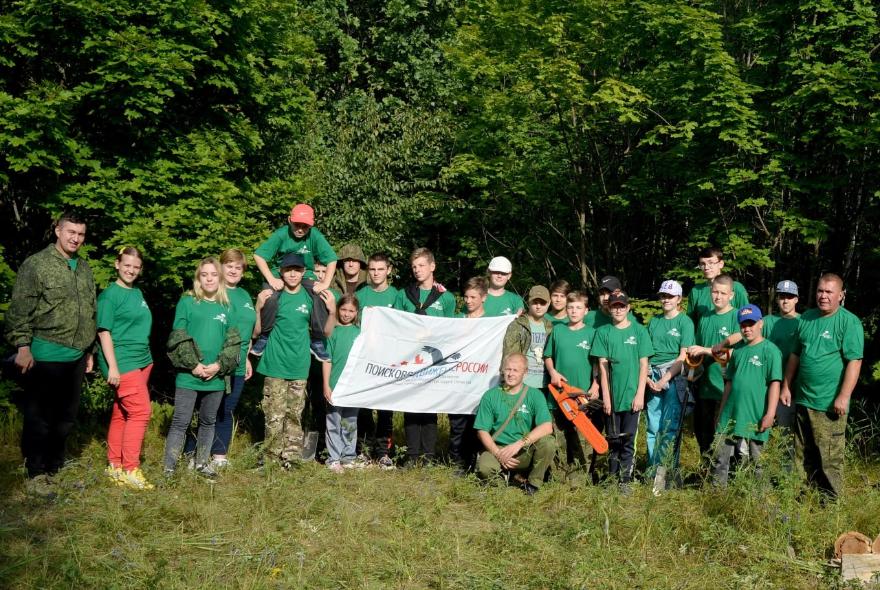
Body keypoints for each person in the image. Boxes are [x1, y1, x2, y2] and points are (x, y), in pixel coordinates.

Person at [5, 212, 97, 493]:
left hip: (77, 356)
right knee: (40, 417)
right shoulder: (37, 265)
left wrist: (89, 351)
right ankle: (35, 474)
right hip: (45, 354)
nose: (75, 238)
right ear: (57, 231)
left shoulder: (83, 268)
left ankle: (56, 468)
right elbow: (19, 310)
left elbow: (90, 310)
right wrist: (22, 346)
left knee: (65, 418)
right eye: (70, 232)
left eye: (80, 234)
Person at [780, 274, 864, 499]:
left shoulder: (849, 322)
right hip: (803, 399)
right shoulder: (806, 318)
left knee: (829, 459)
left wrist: (844, 396)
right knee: (801, 454)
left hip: (829, 403)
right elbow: (795, 355)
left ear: (841, 295)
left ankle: (832, 507)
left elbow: (854, 362)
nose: (823, 296)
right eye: (820, 291)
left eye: (829, 292)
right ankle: (801, 499)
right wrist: (786, 385)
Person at [164, 258, 241, 478]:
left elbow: (234, 342)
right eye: (204, 274)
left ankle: (201, 463)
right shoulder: (187, 302)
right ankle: (169, 468)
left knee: (208, 421)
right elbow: (177, 337)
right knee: (181, 421)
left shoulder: (227, 306)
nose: (209, 278)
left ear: (220, 278)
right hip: (189, 375)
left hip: (215, 376)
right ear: (199, 278)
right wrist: (194, 365)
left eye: (213, 274)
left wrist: (218, 366)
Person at [98, 247, 154, 490]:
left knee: (122, 413)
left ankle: (115, 466)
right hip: (122, 361)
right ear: (117, 264)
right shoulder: (110, 296)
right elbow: (103, 332)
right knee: (141, 412)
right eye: (127, 265)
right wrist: (112, 367)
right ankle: (131, 469)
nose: (131, 270)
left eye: (136, 266)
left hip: (142, 359)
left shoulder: (137, 292)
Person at [394, 247, 456, 465]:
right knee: (411, 407)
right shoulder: (404, 294)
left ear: (432, 266)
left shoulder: (446, 298)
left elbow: (451, 329)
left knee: (429, 408)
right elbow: (395, 324)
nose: (417, 270)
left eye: (421, 265)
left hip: (434, 360)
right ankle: (412, 455)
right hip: (410, 359)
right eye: (414, 266)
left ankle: (428, 455)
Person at [252, 203, 337, 359]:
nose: (300, 229)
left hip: (305, 274)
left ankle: (317, 339)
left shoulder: (315, 236)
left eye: (305, 226)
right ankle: (264, 336)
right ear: (289, 220)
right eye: (297, 225)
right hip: (279, 272)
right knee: (269, 297)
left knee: (321, 295)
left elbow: (332, 259)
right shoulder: (281, 234)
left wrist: (325, 283)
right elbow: (259, 255)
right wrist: (271, 279)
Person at [255, 253, 316, 469]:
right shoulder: (274, 296)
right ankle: (270, 459)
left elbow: (323, 329)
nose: (292, 273)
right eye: (288, 269)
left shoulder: (310, 297)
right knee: (273, 416)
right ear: (281, 272)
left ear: (302, 273)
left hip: (299, 366)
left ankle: (291, 459)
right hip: (275, 365)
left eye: (297, 270)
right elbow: (257, 330)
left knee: (294, 415)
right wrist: (258, 306)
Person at [712, 304, 782, 487]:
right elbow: (729, 383)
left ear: (761, 324)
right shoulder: (738, 351)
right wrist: (721, 413)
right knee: (720, 458)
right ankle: (717, 495)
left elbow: (775, 383)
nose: (747, 329)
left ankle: (761, 502)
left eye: (751, 324)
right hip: (731, 414)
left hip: (755, 414)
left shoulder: (771, 350)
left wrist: (770, 413)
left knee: (758, 462)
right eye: (743, 325)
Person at [591, 292, 654, 490]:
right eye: (614, 306)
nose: (618, 309)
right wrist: (606, 398)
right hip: (612, 396)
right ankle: (611, 478)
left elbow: (644, 365)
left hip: (632, 396)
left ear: (628, 308)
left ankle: (625, 480)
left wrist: (640, 394)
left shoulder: (639, 331)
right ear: (609, 308)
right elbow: (602, 366)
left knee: (628, 440)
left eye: (621, 306)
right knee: (613, 439)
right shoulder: (603, 332)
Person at [473, 353, 555, 494]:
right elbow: (482, 431)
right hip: (498, 449)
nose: (510, 374)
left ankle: (533, 483)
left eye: (516, 370)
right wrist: (498, 453)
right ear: (503, 370)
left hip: (524, 449)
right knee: (484, 468)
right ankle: (505, 482)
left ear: (525, 372)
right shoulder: (490, 396)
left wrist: (519, 444)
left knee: (548, 442)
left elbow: (547, 427)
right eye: (508, 369)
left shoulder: (535, 395)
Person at [544, 291, 600, 483]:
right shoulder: (558, 331)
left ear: (586, 311)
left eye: (578, 308)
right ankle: (559, 477)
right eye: (570, 307)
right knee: (559, 437)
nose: (573, 311)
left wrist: (596, 384)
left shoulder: (592, 333)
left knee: (581, 439)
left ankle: (578, 479)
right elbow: (548, 355)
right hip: (559, 395)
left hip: (581, 397)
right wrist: (552, 372)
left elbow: (598, 364)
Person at [210, 249, 258, 468]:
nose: (233, 270)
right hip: (216, 363)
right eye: (229, 265)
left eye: (238, 267)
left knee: (226, 409)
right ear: (220, 267)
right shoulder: (214, 292)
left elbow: (247, 330)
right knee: (209, 409)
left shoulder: (245, 295)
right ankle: (195, 453)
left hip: (238, 364)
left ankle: (219, 456)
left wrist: (247, 357)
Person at [686, 274, 743, 459]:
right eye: (715, 292)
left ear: (732, 295)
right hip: (705, 387)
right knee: (704, 434)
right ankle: (706, 474)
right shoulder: (705, 318)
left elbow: (737, 354)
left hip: (726, 387)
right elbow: (698, 352)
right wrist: (694, 368)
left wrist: (706, 350)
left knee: (725, 435)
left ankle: (727, 477)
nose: (718, 296)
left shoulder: (738, 318)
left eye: (723, 293)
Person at [351, 252, 399, 469]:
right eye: (372, 269)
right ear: (367, 271)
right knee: (364, 408)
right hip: (365, 360)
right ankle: (363, 449)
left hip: (389, 361)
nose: (376, 273)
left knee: (385, 409)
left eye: (381, 269)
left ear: (388, 270)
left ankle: (383, 453)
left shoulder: (397, 296)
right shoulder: (361, 295)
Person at [645, 280, 694, 477]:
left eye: (670, 296)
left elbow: (683, 356)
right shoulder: (654, 321)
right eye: (663, 296)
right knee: (652, 425)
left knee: (669, 426)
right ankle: (651, 469)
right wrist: (648, 376)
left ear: (679, 299)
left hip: (673, 376)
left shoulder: (685, 322)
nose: (665, 299)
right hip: (652, 375)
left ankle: (665, 472)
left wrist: (665, 378)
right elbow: (645, 353)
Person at [449, 277, 490, 472]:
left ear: (484, 298)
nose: (468, 301)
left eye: (473, 297)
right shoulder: (457, 320)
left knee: (477, 424)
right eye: (466, 297)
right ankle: (458, 462)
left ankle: (476, 463)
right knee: (457, 424)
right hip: (458, 380)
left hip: (480, 382)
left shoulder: (492, 323)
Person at [323, 294, 364, 473]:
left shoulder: (360, 334)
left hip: (353, 386)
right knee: (334, 421)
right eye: (344, 309)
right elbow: (327, 360)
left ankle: (348, 456)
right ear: (338, 309)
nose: (347, 314)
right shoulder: (333, 332)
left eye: (351, 311)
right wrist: (326, 385)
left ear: (356, 313)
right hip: (334, 385)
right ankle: (333, 458)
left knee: (350, 421)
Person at [686, 246, 749, 329]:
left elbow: (747, 319)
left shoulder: (736, 288)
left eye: (711, 263)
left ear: (721, 264)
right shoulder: (696, 291)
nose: (706, 267)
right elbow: (690, 324)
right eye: (702, 264)